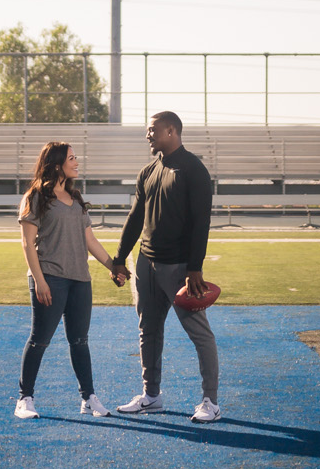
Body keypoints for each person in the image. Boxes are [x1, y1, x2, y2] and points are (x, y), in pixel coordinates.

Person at [108, 110, 221, 422]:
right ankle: (151, 395)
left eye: (152, 130)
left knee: (199, 333)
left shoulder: (194, 169)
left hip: (180, 267)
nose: (148, 135)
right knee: (149, 330)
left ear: (171, 131)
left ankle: (210, 402)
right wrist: (119, 258)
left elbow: (202, 222)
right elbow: (134, 219)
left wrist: (194, 267)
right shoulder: (147, 171)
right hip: (146, 263)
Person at [14, 140, 127, 419]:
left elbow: (89, 239)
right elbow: (27, 244)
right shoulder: (36, 197)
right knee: (40, 340)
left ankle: (88, 398)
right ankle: (24, 399)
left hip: (80, 280)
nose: (77, 162)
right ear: (56, 164)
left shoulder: (76, 199)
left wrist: (113, 265)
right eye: (72, 158)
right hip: (50, 278)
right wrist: (39, 281)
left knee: (80, 341)